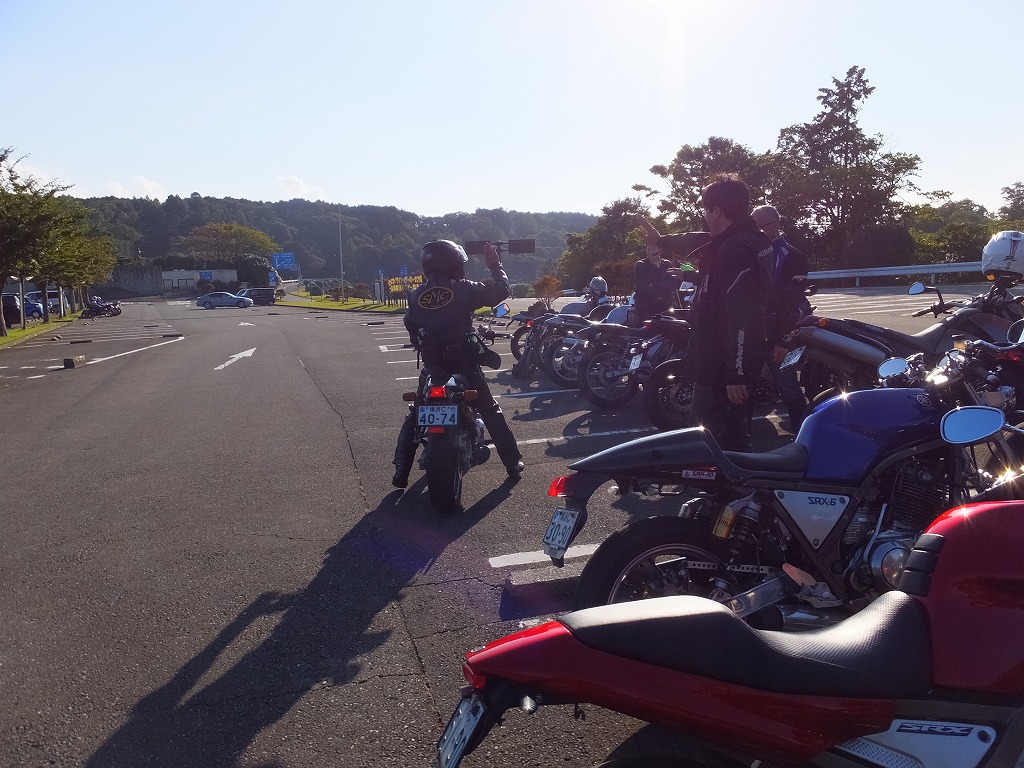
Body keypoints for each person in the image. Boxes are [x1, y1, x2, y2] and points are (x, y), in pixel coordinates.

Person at [640, 175, 773, 451]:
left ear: (717, 211)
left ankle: (728, 479)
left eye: (705, 210)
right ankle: (734, 476)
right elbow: (698, 241)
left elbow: (743, 315)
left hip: (721, 365)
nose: (704, 216)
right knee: (731, 437)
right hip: (727, 361)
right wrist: (662, 240)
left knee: (711, 442)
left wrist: (735, 373)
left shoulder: (734, 249)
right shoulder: (748, 240)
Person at [391, 240, 524, 489]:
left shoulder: (415, 295)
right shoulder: (463, 288)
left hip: (433, 369)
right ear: (453, 264)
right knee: (490, 411)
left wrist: (422, 342)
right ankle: (512, 462)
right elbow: (501, 289)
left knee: (417, 411)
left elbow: (410, 325)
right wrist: (495, 265)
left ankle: (401, 467)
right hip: (464, 366)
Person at [751, 204, 810, 432]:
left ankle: (803, 435)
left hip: (779, 331)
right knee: (744, 386)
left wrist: (784, 340)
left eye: (757, 227)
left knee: (788, 387)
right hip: (753, 330)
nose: (753, 233)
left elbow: (792, 302)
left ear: (774, 225)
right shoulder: (751, 254)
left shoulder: (794, 257)